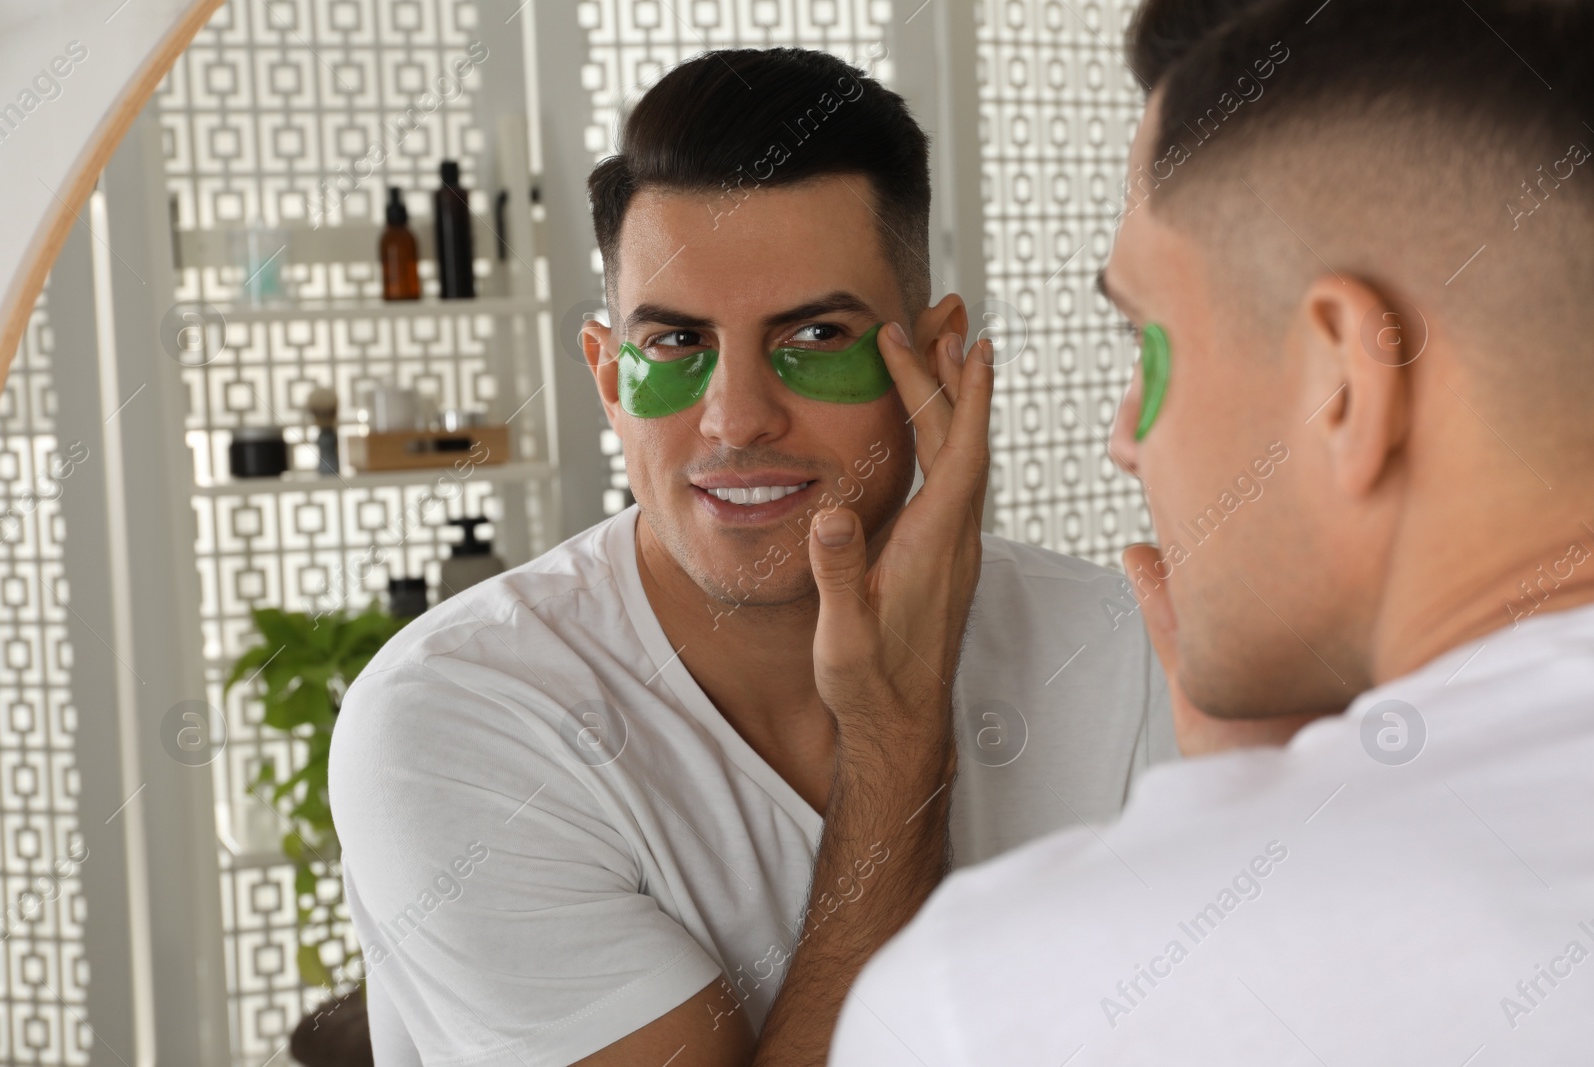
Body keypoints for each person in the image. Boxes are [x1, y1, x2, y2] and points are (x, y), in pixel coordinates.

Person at [329, 47, 1180, 1066]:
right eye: (676, 346)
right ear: (608, 377)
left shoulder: (1123, 652)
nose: (736, 417)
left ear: (938, 356)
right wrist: (897, 742)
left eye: (815, 333)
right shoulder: (457, 716)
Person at [828, 0, 1594, 1062]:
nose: (1122, 440)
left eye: (1148, 340)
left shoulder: (1015, 999)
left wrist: (1238, 844)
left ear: (1341, 385)